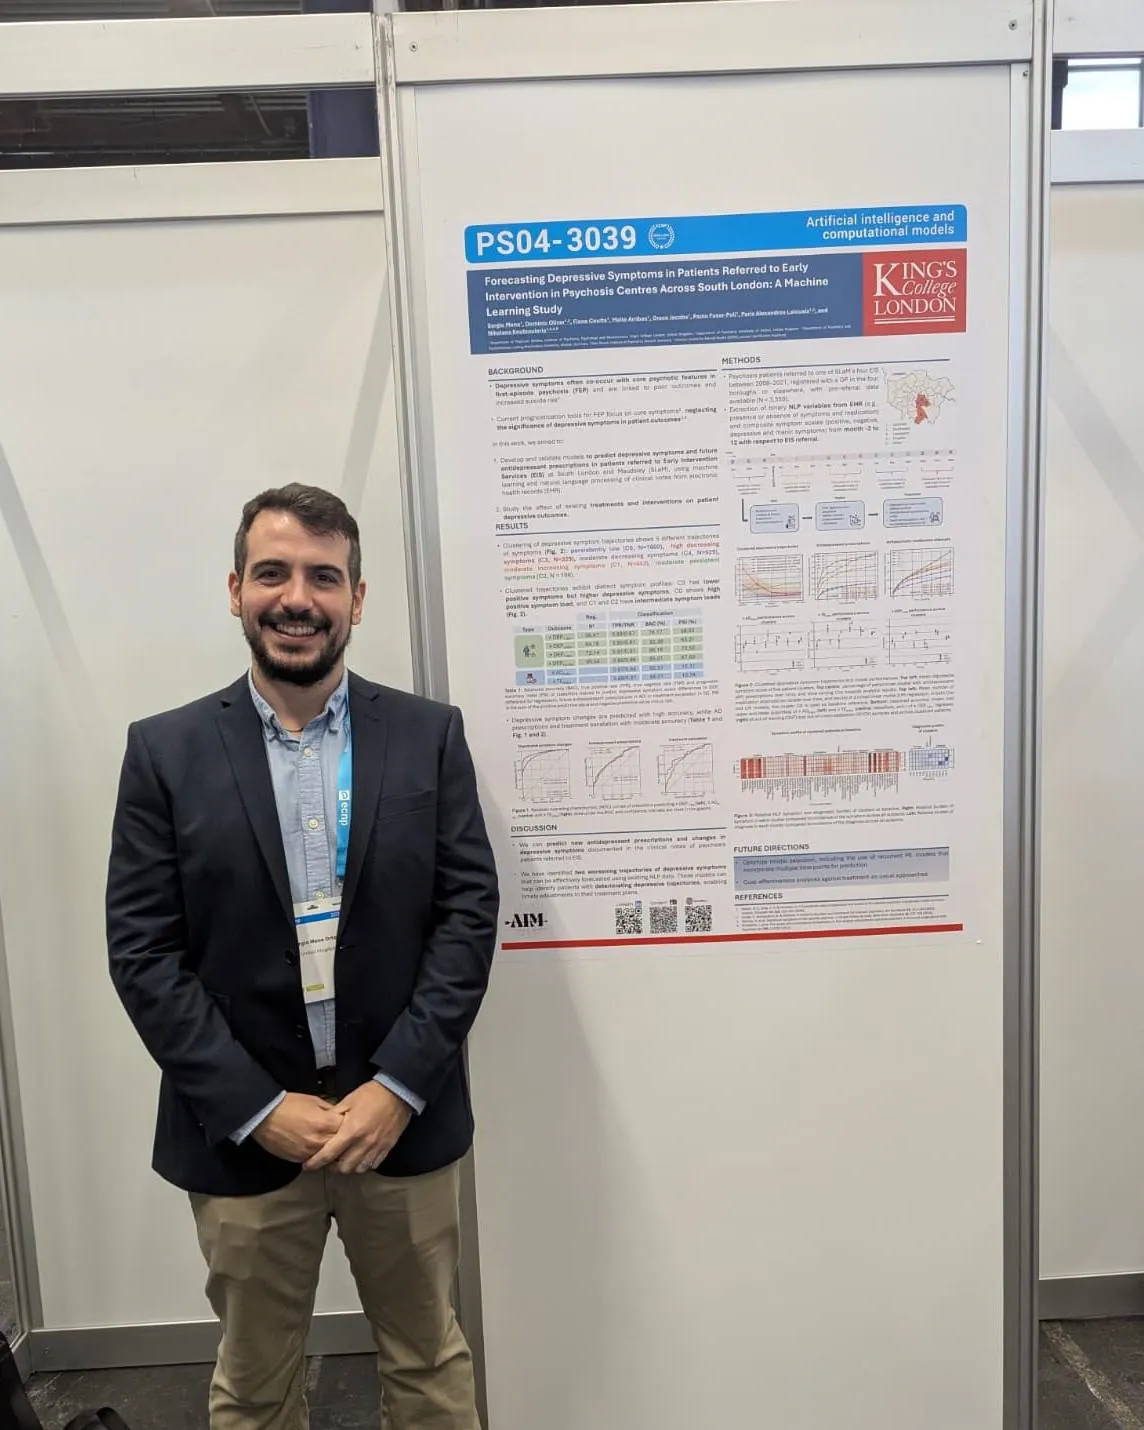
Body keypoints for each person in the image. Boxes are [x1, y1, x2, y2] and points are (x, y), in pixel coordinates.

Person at [106, 484, 498, 1430]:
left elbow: (467, 916)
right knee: (254, 1387)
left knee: (429, 1364)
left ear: (356, 598)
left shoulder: (429, 735)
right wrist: (256, 1106)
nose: (297, 598)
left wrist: (397, 1086)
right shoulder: (164, 752)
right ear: (235, 589)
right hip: (242, 1135)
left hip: (399, 1126)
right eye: (273, 573)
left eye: (324, 577)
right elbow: (143, 952)